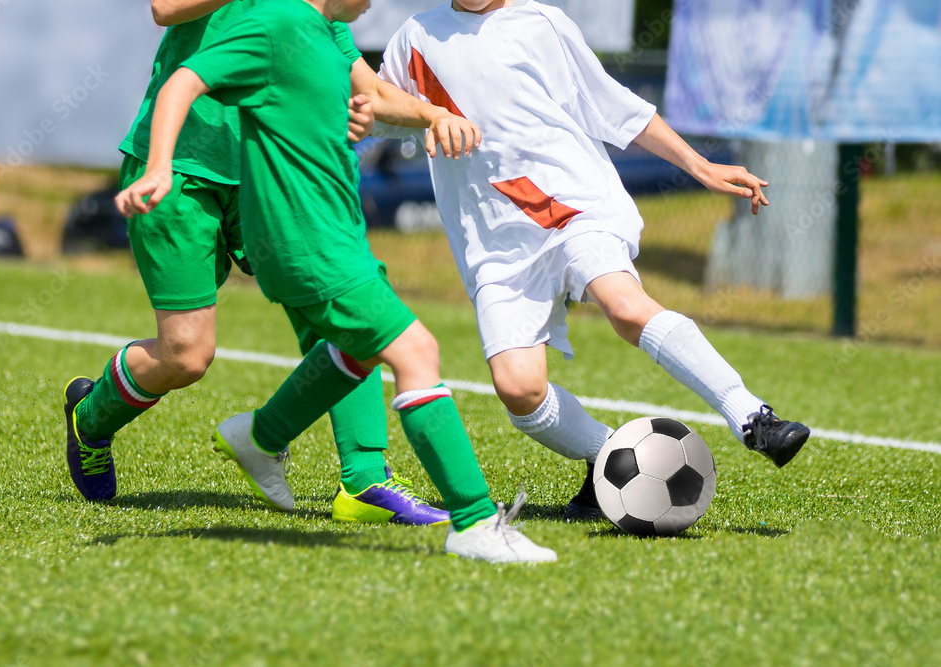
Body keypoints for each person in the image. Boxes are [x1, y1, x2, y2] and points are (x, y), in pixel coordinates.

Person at [114, 0, 555, 563]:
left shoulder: (323, 31)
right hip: (300, 236)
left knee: (364, 346)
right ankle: (474, 522)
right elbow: (176, 54)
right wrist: (157, 165)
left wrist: (419, 114)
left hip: (331, 231)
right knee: (411, 349)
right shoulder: (279, 23)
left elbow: (357, 96)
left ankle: (274, 440)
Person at [374, 0, 811, 521]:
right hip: (496, 243)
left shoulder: (541, 23)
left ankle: (753, 418)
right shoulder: (415, 36)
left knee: (626, 307)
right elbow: (380, 108)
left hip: (574, 205)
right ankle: (611, 458)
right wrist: (393, 116)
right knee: (518, 388)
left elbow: (615, 106)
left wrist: (700, 165)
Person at [64, 0, 473, 528]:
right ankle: (90, 418)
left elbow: (366, 87)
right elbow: (164, 8)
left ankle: (366, 480)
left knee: (351, 301)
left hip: (267, 183)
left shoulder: (309, 15)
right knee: (185, 354)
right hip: (181, 175)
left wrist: (435, 115)